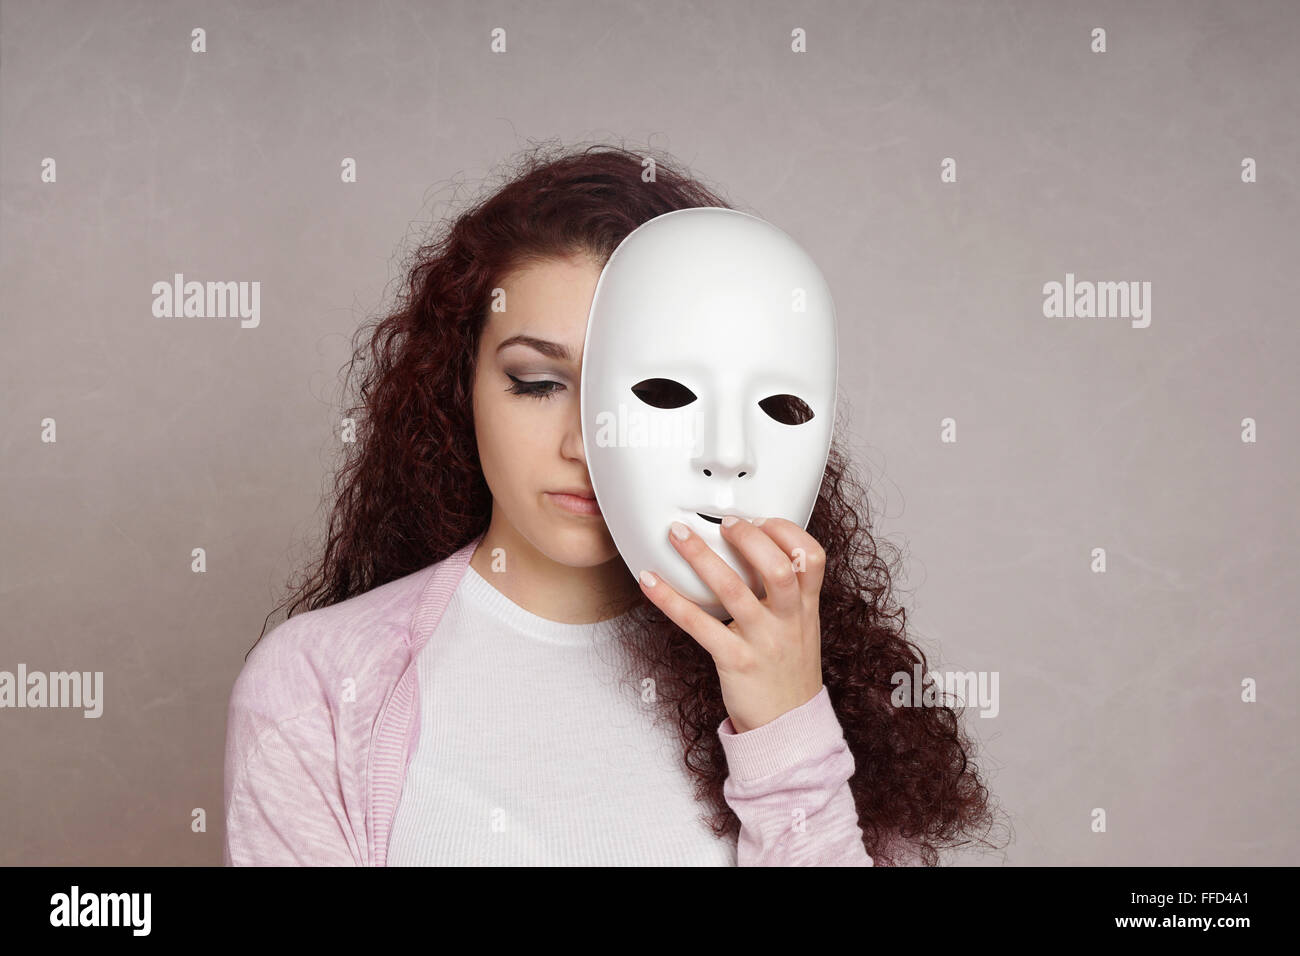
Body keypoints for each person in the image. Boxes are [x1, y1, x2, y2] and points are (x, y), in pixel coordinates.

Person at [222, 142, 1002, 866]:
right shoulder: (322, 685)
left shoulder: (812, 685)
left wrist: (787, 729)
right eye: (539, 382)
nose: (585, 442)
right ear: (459, 386)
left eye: (650, 392)